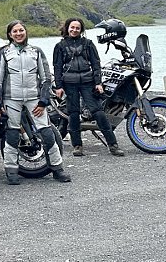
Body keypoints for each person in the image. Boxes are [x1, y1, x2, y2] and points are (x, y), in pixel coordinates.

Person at [0, 20, 71, 185]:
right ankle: (12, 171)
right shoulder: (3, 52)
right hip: (11, 99)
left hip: (34, 99)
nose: (18, 34)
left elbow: (46, 78)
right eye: (15, 31)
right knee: (12, 135)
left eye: (21, 30)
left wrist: (43, 101)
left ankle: (57, 169)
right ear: (10, 35)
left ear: (26, 32)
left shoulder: (37, 51)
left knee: (47, 133)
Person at [52, 17, 125, 157]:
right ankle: (77, 146)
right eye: (72, 27)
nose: (74, 30)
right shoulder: (60, 46)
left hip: (87, 82)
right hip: (69, 83)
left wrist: (98, 83)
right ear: (67, 28)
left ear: (81, 30)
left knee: (98, 111)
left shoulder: (88, 44)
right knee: (73, 114)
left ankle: (113, 145)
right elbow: (57, 67)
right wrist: (59, 86)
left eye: (77, 28)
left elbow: (96, 64)